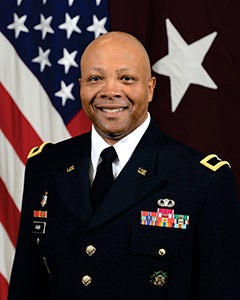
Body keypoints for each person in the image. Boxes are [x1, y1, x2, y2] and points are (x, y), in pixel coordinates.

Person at [8, 31, 240, 300]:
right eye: (96, 79)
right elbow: (27, 284)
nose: (110, 91)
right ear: (80, 85)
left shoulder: (201, 180)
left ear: (150, 88)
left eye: (126, 78)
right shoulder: (46, 167)